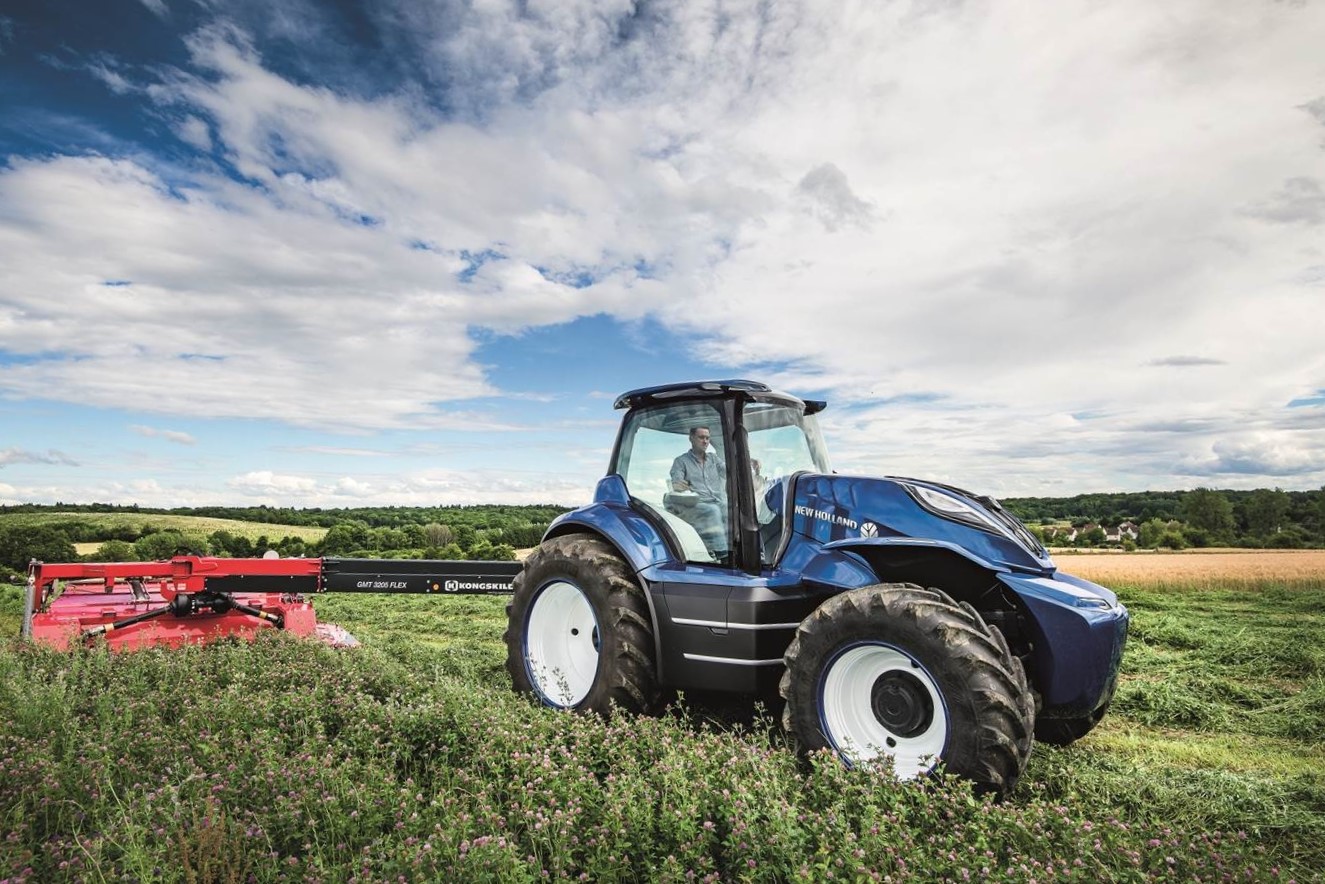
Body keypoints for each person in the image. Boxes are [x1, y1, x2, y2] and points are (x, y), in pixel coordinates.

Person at [669, 426, 727, 553]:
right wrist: (678, 486)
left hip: (717, 501)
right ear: (691, 438)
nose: (705, 441)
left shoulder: (714, 459)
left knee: (732, 509)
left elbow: (730, 471)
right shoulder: (681, 461)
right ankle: (723, 554)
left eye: (707, 438)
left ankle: (746, 551)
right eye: (701, 437)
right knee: (713, 510)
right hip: (697, 504)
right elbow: (676, 483)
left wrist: (748, 461)